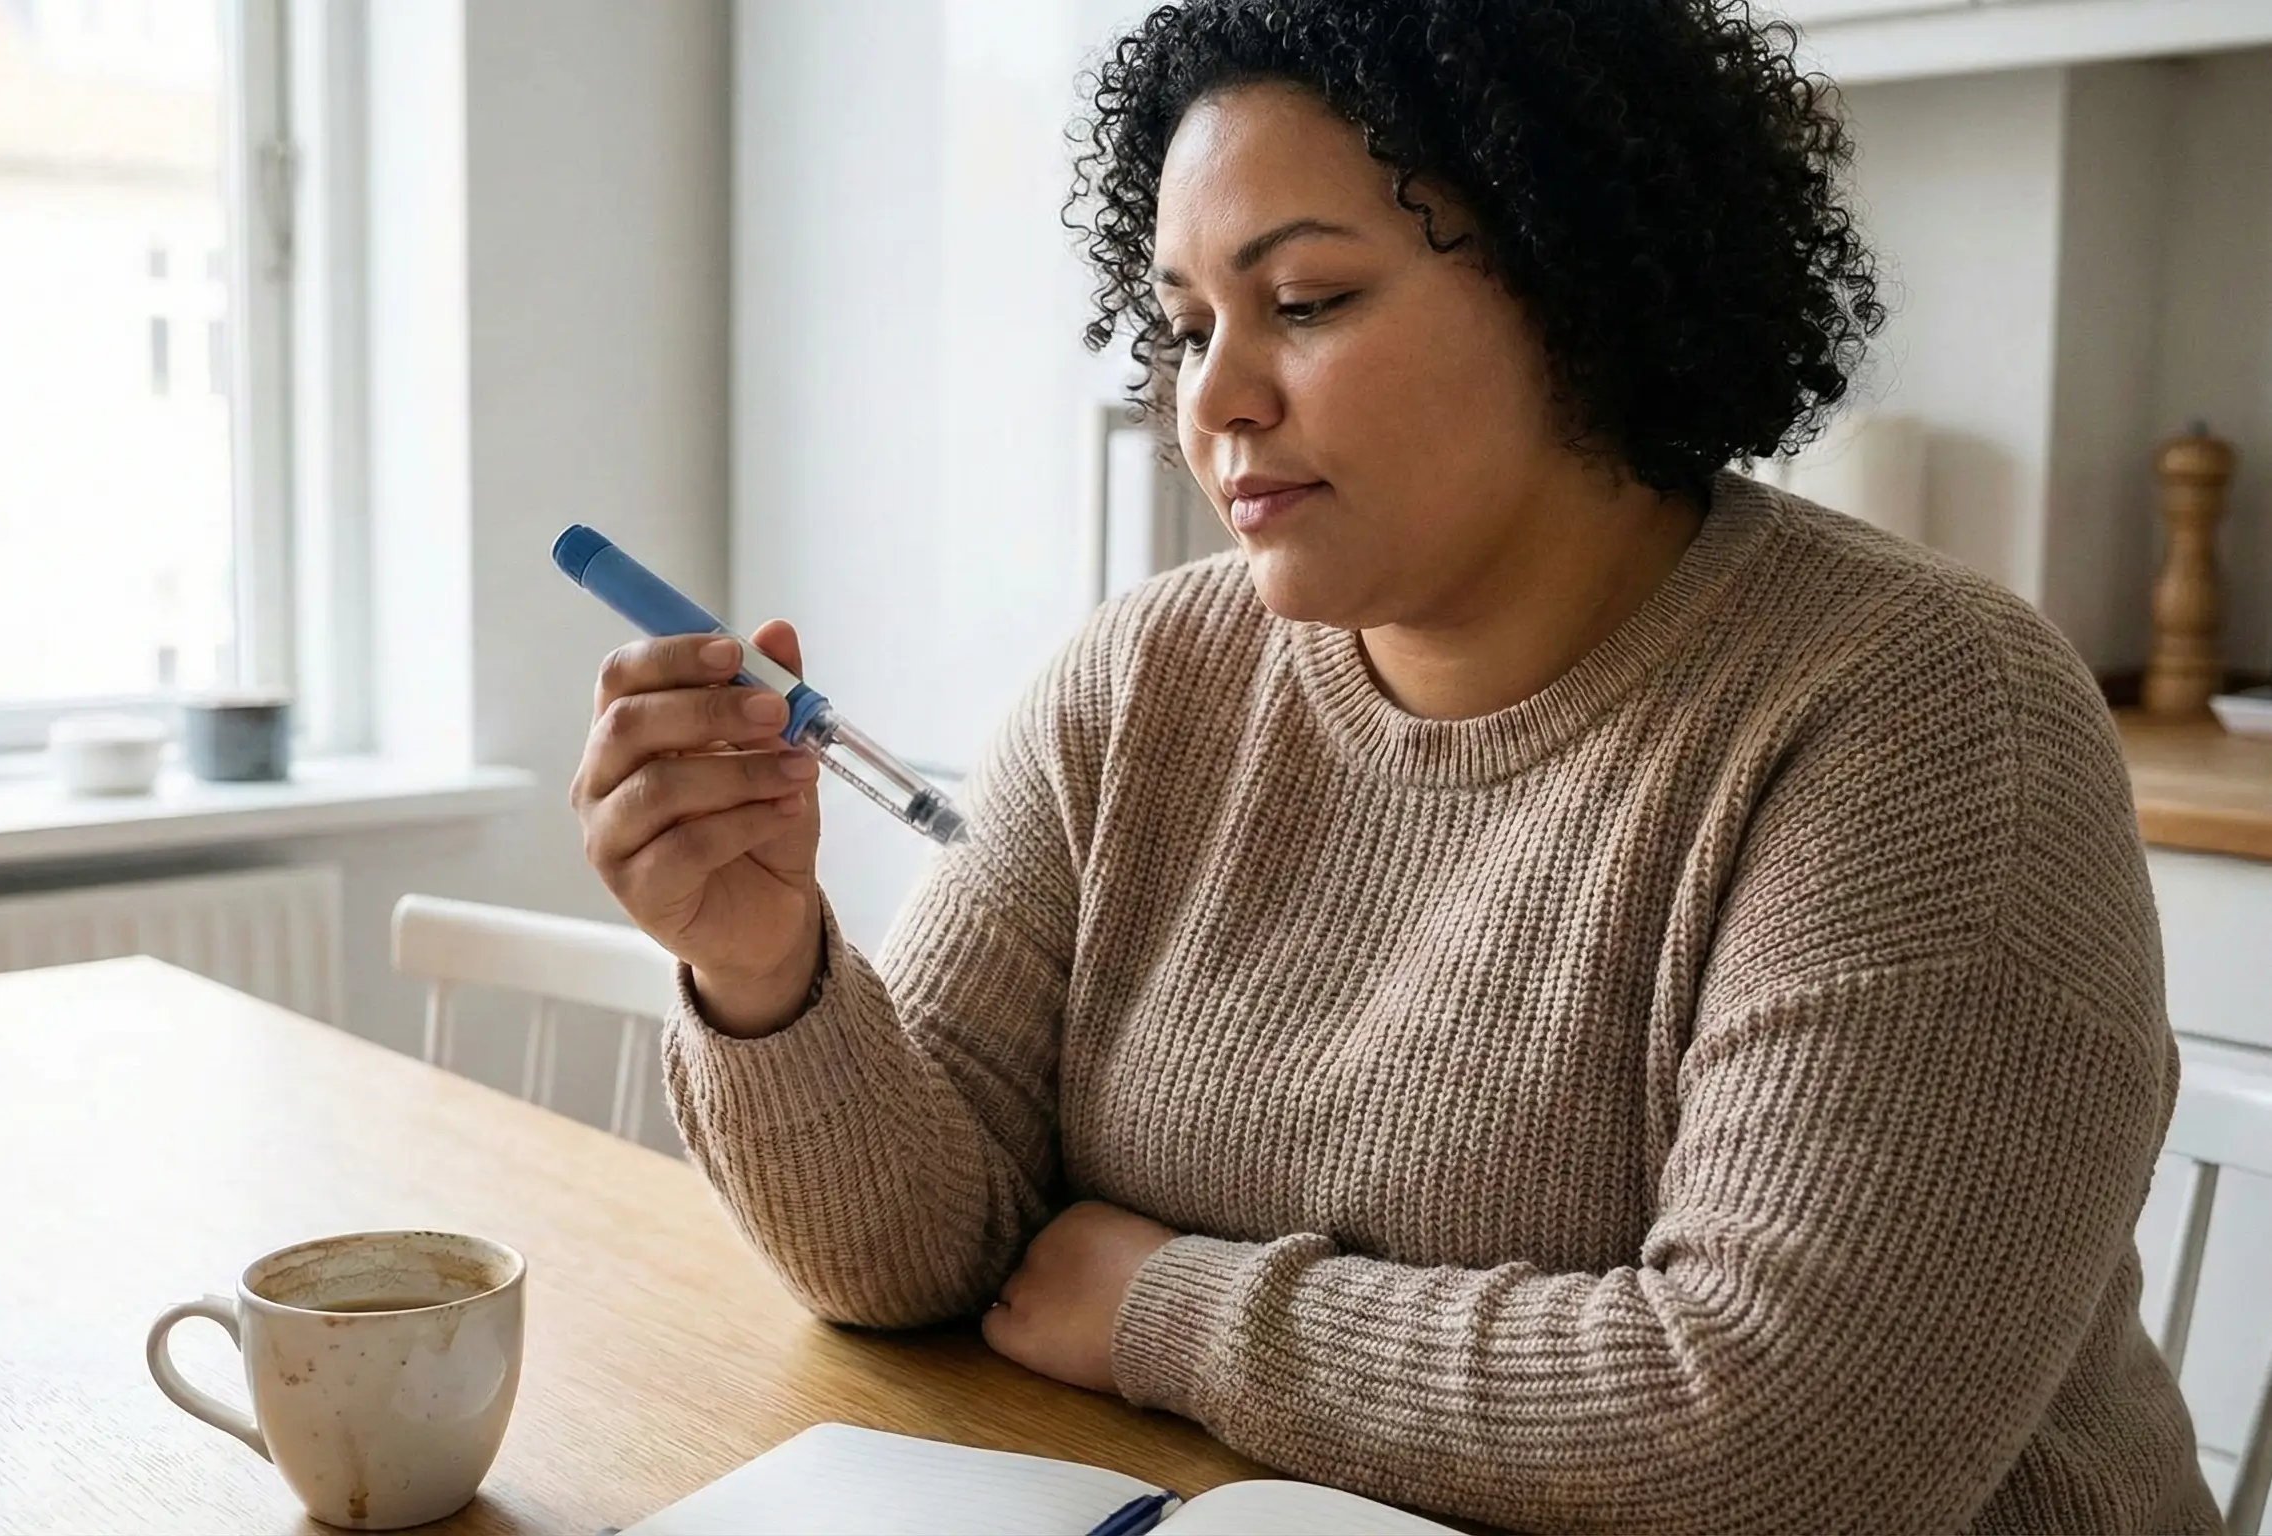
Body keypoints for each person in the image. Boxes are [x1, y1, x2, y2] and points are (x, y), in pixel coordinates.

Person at [568, 1, 2217, 1529]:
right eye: (1184, 324)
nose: (1210, 398)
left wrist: (1167, 1310)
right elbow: (923, 1262)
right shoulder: (1143, 682)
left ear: (1576, 286)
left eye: (1303, 303)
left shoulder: (1921, 714)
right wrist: (764, 973)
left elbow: (1785, 1441)